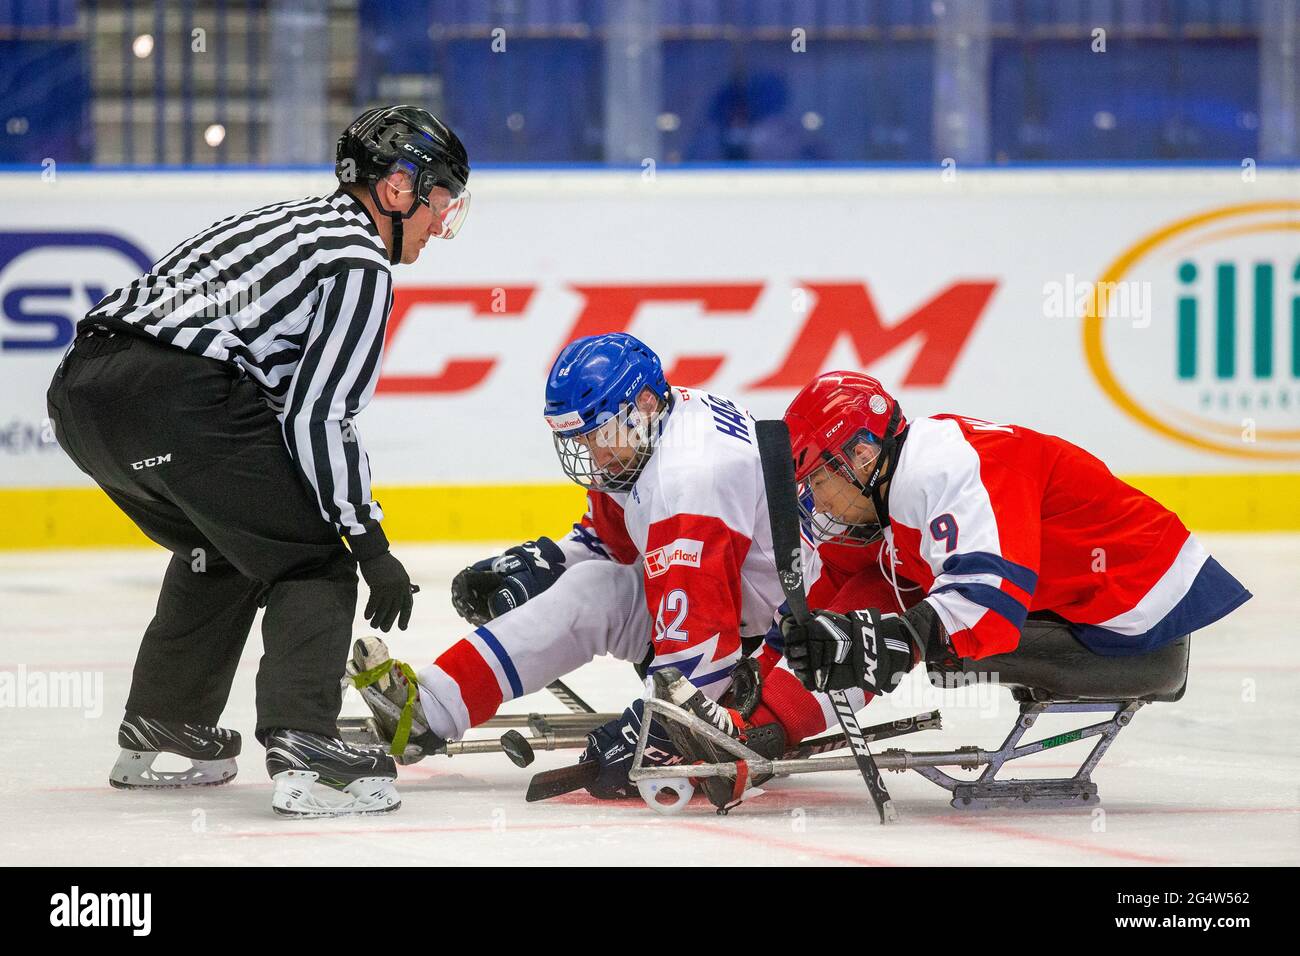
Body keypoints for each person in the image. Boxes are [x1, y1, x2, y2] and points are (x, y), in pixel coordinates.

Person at [45, 105, 470, 816]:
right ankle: (306, 744)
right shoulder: (358, 260)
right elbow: (318, 415)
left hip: (83, 397)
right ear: (397, 189)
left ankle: (166, 721)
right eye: (439, 201)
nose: (440, 224)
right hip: (174, 395)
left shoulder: (290, 222)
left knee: (227, 543)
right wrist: (366, 541)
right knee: (311, 557)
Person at [349, 333, 866, 807]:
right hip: (744, 605)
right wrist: (542, 566)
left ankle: (744, 708)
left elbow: (702, 650)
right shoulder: (645, 432)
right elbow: (610, 546)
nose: (593, 453)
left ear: (641, 406)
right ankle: (433, 706)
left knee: (601, 598)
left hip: (779, 640)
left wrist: (656, 735)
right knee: (590, 587)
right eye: (582, 438)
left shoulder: (688, 481)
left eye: (598, 435)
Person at [773, 371, 1252, 697]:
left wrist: (889, 639)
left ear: (860, 455)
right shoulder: (896, 483)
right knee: (880, 605)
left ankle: (779, 721)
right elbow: (841, 583)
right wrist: (762, 665)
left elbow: (987, 605)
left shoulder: (942, 469)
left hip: (1135, 628)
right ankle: (767, 717)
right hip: (1097, 605)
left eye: (818, 479)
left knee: (928, 635)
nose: (819, 499)